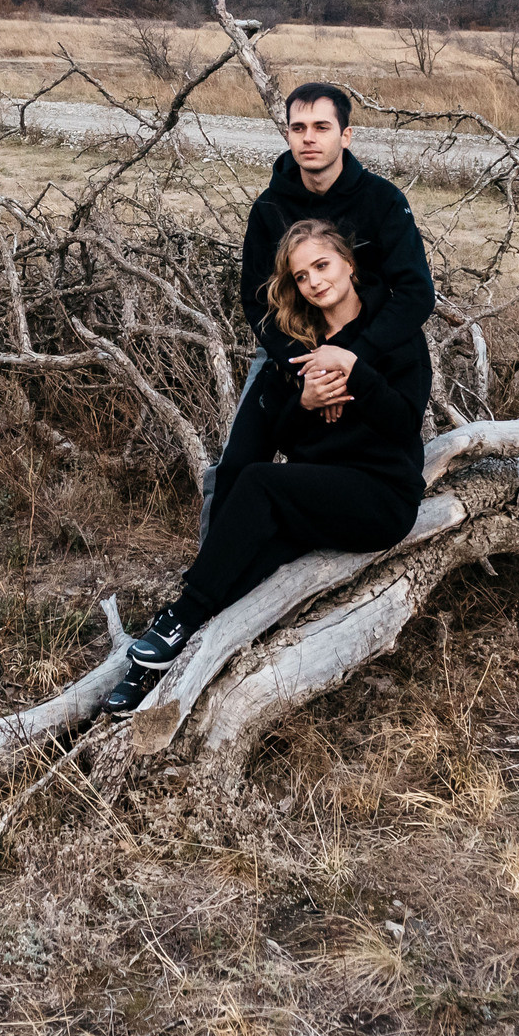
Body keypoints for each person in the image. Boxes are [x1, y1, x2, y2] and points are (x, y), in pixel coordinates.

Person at [106, 219, 431, 716]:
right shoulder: (294, 343)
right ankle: (148, 675)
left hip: (381, 497)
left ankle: (178, 616)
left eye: (322, 266)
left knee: (258, 483)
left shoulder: (394, 333)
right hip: (318, 497)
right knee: (245, 561)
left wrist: (354, 371)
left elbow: (404, 422)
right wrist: (304, 400)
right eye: (301, 276)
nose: (315, 281)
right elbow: (281, 437)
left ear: (348, 264)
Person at [199, 81, 436, 537]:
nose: (309, 138)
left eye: (322, 127)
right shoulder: (269, 208)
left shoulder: (383, 202)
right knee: (236, 464)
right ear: (287, 134)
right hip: (291, 353)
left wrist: (351, 359)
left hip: (372, 351)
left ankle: (304, 548)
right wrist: (306, 367)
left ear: (344, 136)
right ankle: (210, 579)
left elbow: (415, 293)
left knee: (358, 454)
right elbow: (256, 300)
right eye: (298, 127)